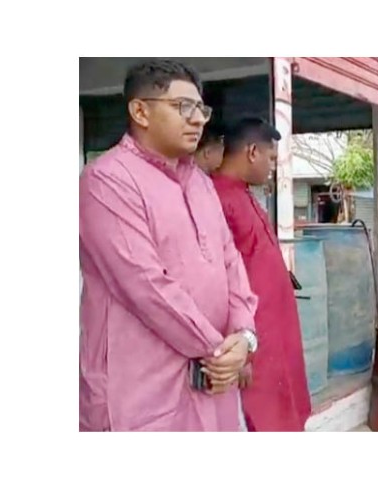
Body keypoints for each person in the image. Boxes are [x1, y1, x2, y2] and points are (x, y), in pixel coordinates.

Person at [79, 60, 258, 431]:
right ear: (140, 111)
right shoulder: (107, 181)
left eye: (201, 109)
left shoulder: (200, 182)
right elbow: (145, 286)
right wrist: (220, 352)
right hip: (143, 393)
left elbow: (230, 261)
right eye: (183, 107)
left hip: (213, 383)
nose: (198, 120)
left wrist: (244, 335)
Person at [211, 117, 311, 431]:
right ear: (252, 152)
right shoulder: (215, 199)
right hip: (251, 342)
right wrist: (239, 346)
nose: (272, 166)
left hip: (274, 335)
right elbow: (217, 282)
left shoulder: (243, 194)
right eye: (270, 157)